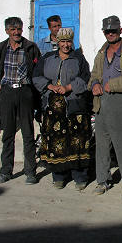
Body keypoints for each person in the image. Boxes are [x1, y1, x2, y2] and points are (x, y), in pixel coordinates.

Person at [89, 15, 122, 199]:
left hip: (121, 101)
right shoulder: (101, 53)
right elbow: (94, 74)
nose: (110, 33)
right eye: (107, 31)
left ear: (120, 31)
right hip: (101, 102)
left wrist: (113, 84)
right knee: (102, 145)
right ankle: (102, 180)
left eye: (114, 30)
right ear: (104, 32)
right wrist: (95, 84)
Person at [33, 28, 92, 191]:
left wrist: (68, 87)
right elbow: (36, 77)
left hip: (74, 107)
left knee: (77, 142)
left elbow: (86, 78)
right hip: (53, 109)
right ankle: (58, 176)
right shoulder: (47, 58)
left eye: (68, 42)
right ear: (57, 42)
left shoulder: (79, 59)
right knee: (56, 143)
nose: (66, 45)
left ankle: (80, 177)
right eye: (62, 42)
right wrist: (49, 86)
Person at [0, 17, 41, 185]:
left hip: (25, 92)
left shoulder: (30, 47)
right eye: (13, 29)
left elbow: (38, 67)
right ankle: (5, 171)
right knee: (8, 134)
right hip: (7, 92)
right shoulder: (1, 47)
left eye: (19, 29)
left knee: (27, 133)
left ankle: (30, 172)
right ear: (7, 31)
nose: (16, 32)